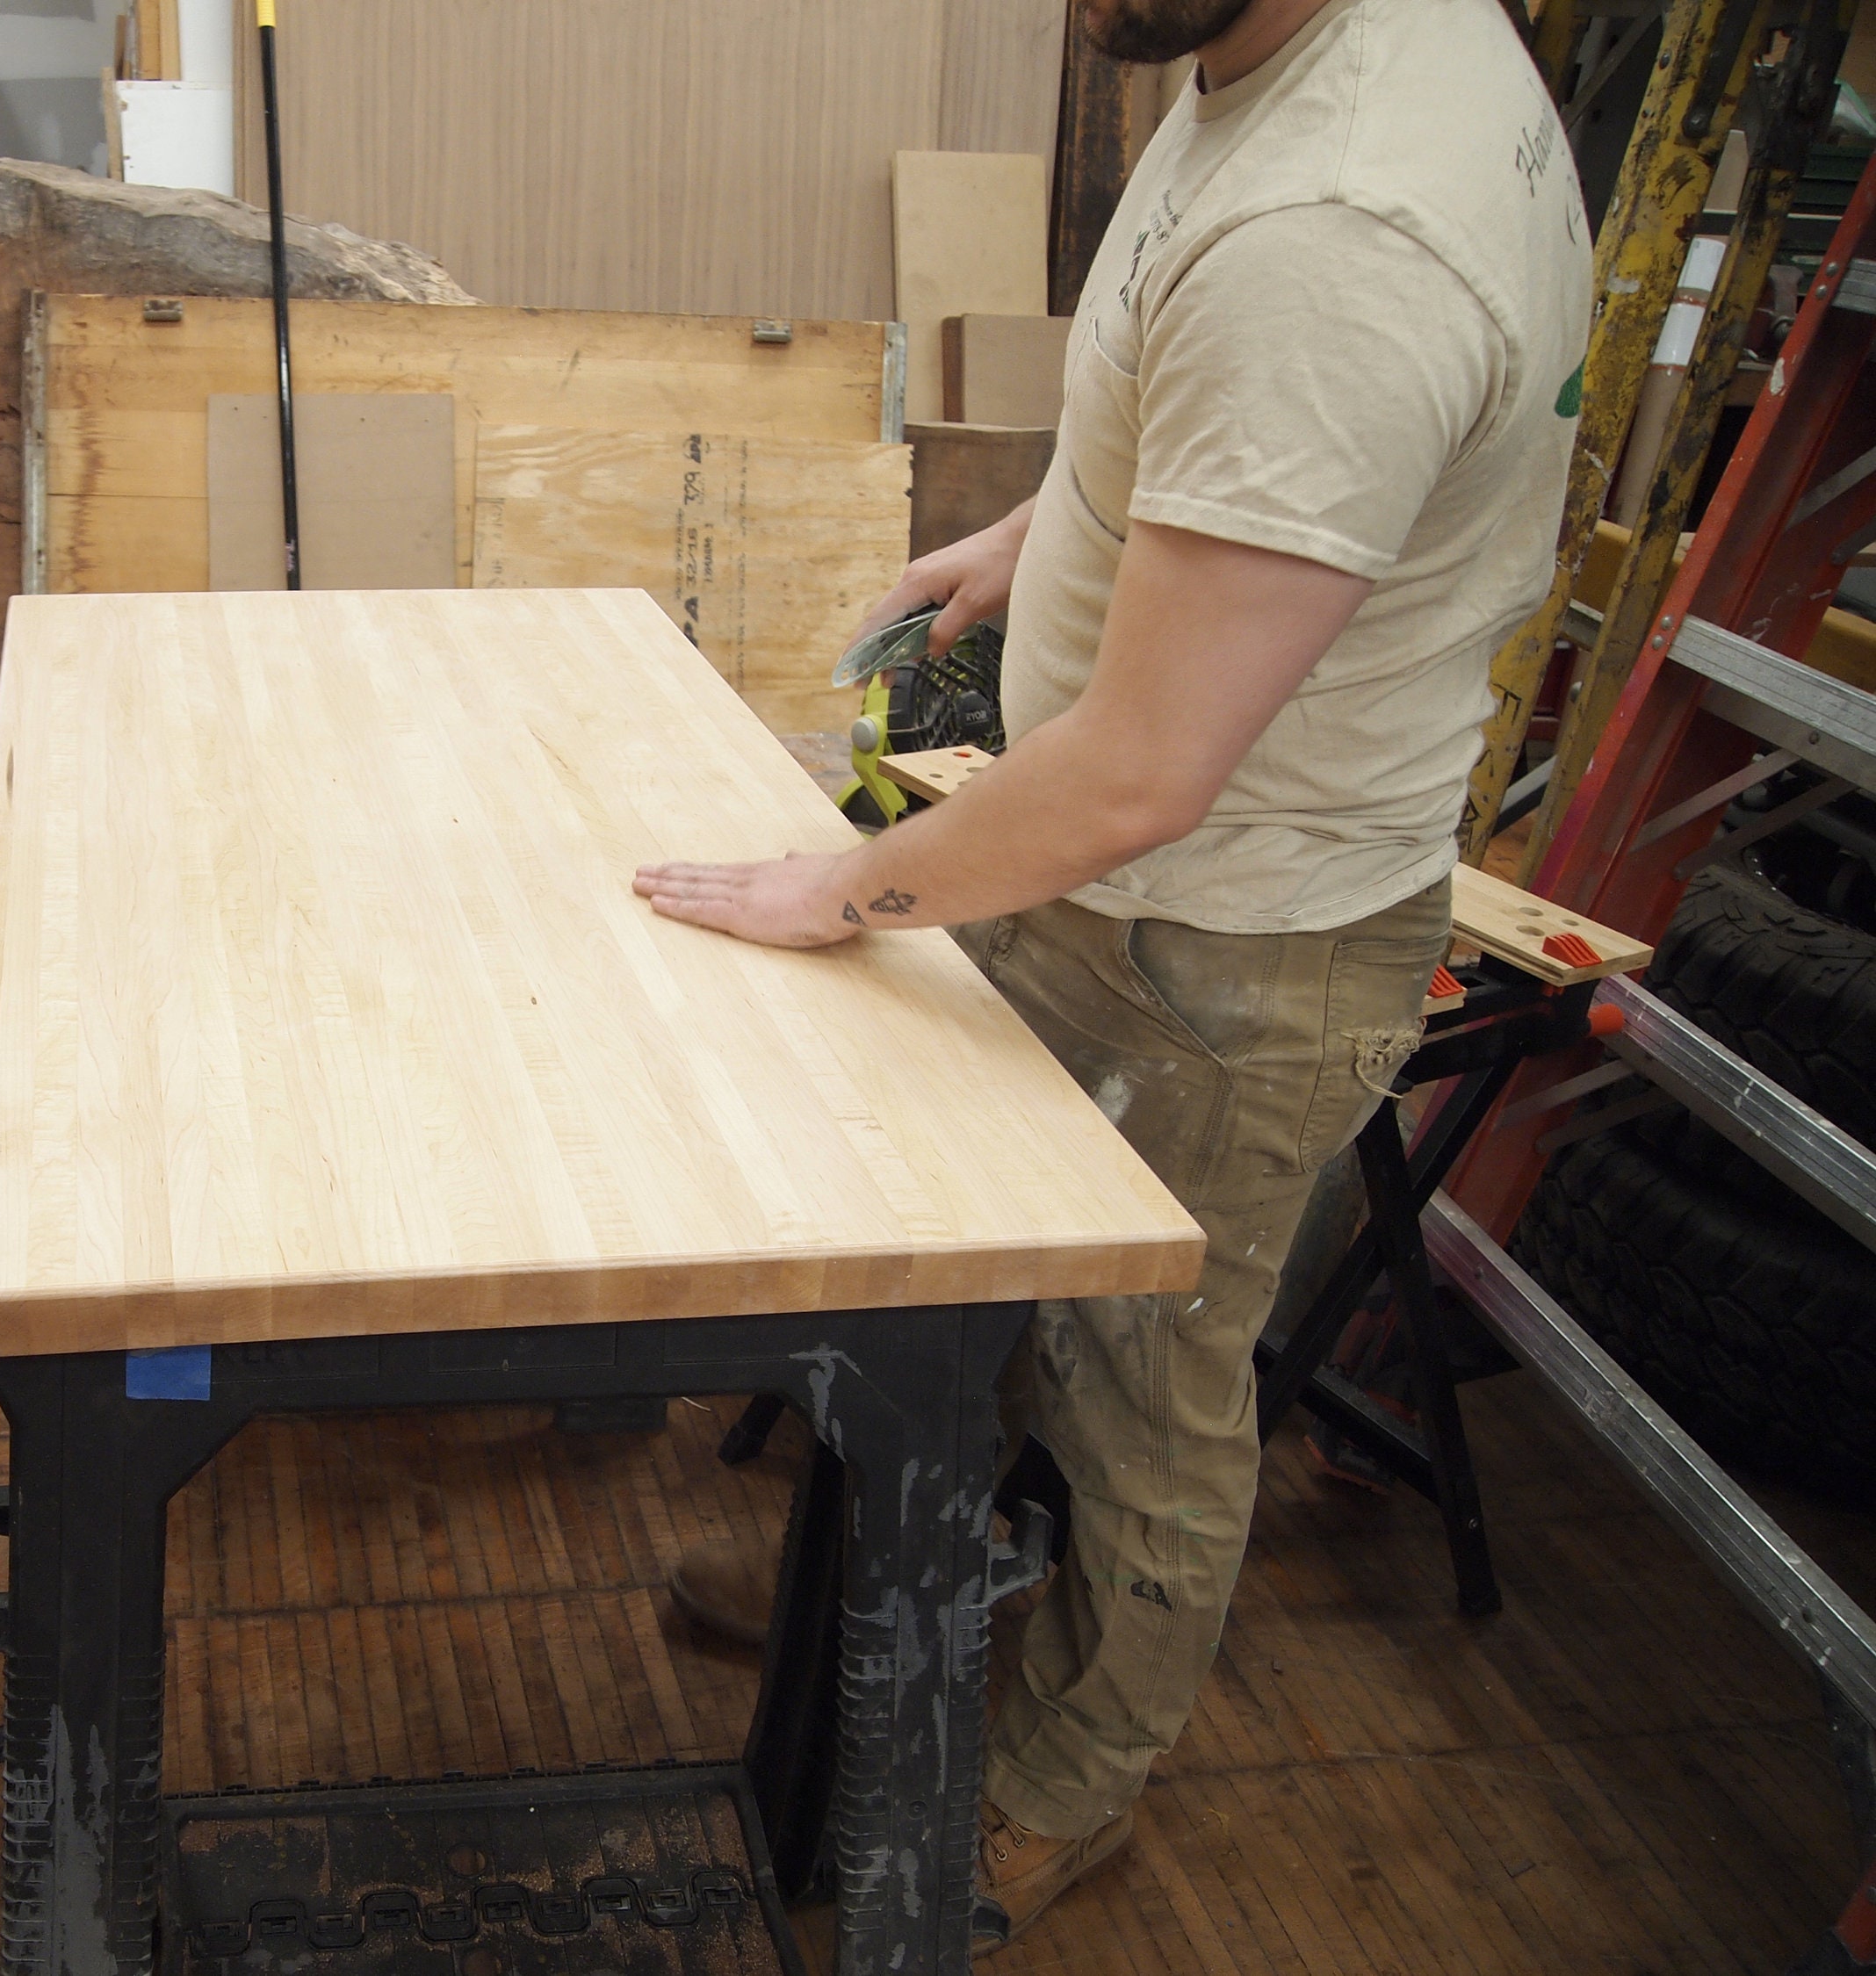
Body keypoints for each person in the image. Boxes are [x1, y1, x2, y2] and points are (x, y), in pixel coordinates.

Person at [634, 0, 1591, 1944]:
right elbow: (1229, 453)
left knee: (1144, 1384)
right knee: (959, 1289)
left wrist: (845, 884)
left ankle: (1072, 1776)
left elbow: (1148, 770)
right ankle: (865, 1606)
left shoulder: (1344, 231)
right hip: (1127, 862)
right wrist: (1033, 538)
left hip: (1224, 931)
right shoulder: (1263, 63)